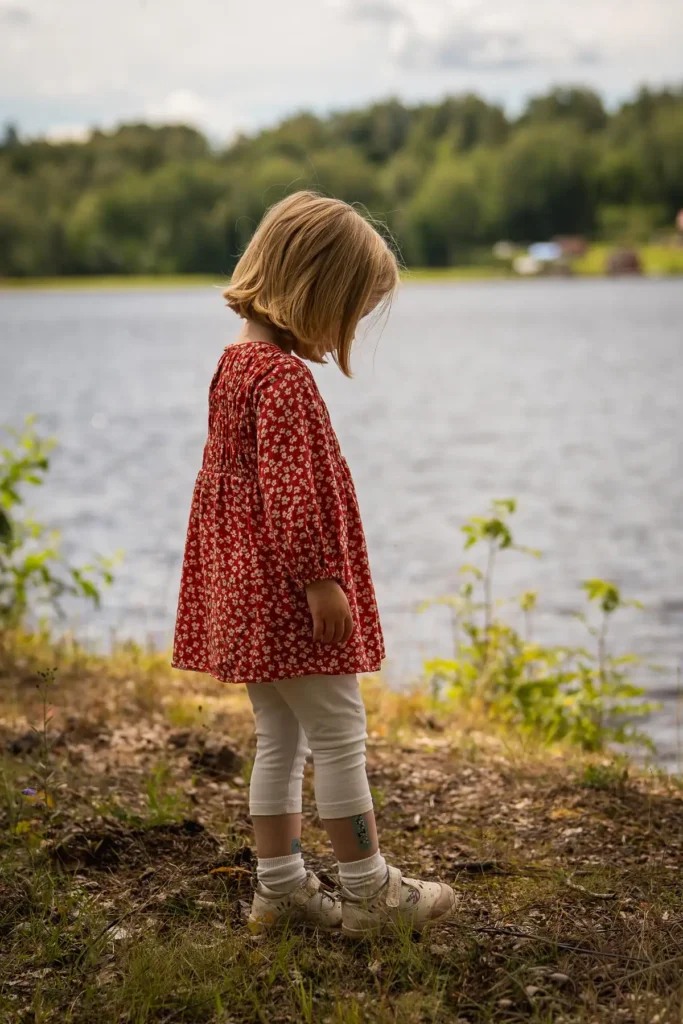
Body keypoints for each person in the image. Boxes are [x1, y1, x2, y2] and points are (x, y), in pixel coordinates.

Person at [172, 191, 456, 937]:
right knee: (338, 734)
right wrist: (320, 582)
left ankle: (282, 887)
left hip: (247, 591)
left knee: (279, 736)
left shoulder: (233, 365)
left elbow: (233, 490)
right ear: (316, 294)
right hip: (292, 597)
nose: (349, 330)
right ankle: (367, 892)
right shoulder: (285, 381)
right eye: (351, 311)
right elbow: (292, 497)